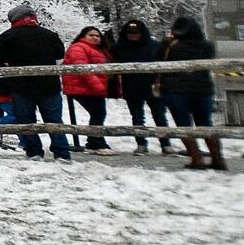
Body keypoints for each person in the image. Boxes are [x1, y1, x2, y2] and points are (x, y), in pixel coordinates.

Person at [0, 3, 71, 162]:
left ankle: (34, 152)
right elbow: (60, 54)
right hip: (49, 85)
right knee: (54, 120)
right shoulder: (50, 35)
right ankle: (62, 153)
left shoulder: (8, 36)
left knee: (26, 120)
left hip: (21, 86)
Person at [158, 16, 225, 171]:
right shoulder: (207, 45)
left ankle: (196, 158)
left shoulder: (170, 45)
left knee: (183, 125)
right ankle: (217, 158)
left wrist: (166, 43)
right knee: (206, 124)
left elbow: (157, 59)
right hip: (202, 89)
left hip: (175, 89)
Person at [108, 19, 172, 154]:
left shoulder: (155, 46)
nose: (133, 35)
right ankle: (141, 144)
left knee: (160, 116)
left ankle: (166, 144)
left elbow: (164, 62)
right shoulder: (118, 47)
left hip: (153, 85)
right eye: (130, 32)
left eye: (136, 33)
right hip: (131, 86)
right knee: (137, 117)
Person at [61, 26, 113, 152]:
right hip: (82, 87)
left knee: (99, 113)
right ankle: (96, 143)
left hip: (90, 87)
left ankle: (95, 141)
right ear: (83, 36)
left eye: (97, 35)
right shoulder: (78, 48)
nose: (95, 38)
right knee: (98, 113)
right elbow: (82, 69)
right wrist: (98, 87)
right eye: (91, 35)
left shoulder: (97, 50)